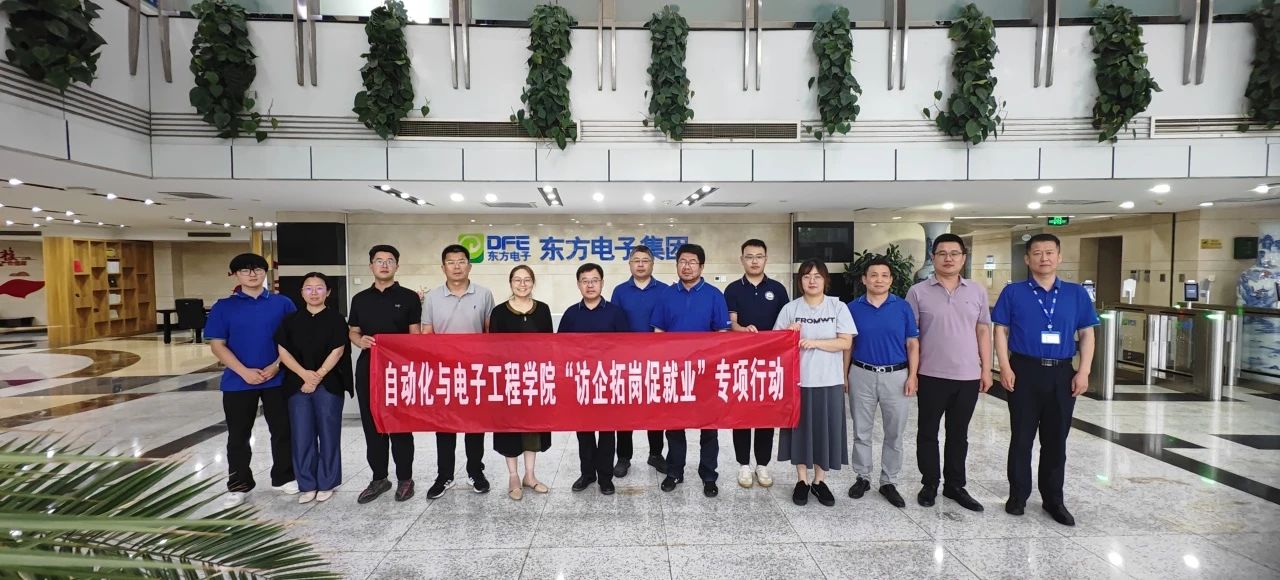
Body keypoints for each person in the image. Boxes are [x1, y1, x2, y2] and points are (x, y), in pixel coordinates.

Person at [993, 233, 1098, 527]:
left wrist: (1084, 371)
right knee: (1022, 437)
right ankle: (1018, 496)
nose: (1044, 258)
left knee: (1056, 439)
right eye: (1037, 253)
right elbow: (1000, 330)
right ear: (1027, 259)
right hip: (1024, 369)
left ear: (1059, 257)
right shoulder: (1013, 292)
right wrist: (1004, 367)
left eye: (1049, 252)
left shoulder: (1076, 294)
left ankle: (1054, 500)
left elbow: (1087, 333)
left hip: (1062, 372)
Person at [204, 252, 298, 508]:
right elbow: (217, 344)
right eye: (245, 270)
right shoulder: (224, 307)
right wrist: (244, 371)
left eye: (257, 269)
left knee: (282, 431)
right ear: (236, 275)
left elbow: (293, 339)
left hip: (277, 378)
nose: (252, 274)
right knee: (238, 435)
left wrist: (276, 365)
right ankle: (239, 484)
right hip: (238, 381)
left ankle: (284, 477)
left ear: (265, 272)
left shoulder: (282, 303)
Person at [906, 233, 991, 512]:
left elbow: (983, 330)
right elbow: (911, 336)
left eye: (954, 253)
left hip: (967, 375)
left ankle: (955, 485)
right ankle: (930, 483)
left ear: (963, 258)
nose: (948, 258)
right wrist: (913, 374)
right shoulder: (917, 292)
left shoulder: (976, 291)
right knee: (927, 432)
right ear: (933, 258)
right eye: (942, 253)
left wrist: (986, 369)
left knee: (958, 434)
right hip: (930, 374)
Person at [650, 243, 731, 498]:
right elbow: (658, 332)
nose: (687, 266)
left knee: (709, 427)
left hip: (706, 373)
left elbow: (722, 333)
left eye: (692, 262)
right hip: (675, 372)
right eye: (682, 262)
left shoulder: (714, 295)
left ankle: (709, 475)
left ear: (702, 266)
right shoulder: (666, 295)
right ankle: (674, 471)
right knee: (674, 425)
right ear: (677, 265)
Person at [774, 260, 854, 507]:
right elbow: (776, 344)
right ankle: (802, 480)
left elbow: (845, 342)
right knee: (800, 431)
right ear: (800, 281)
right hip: (798, 382)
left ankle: (820, 481)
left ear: (825, 280)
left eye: (817, 276)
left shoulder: (838, 307)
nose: (812, 281)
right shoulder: (790, 308)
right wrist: (789, 333)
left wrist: (815, 343)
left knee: (825, 430)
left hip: (830, 380)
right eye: (807, 276)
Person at [421, 244, 496, 499]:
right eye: (451, 262)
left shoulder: (484, 294)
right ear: (443, 267)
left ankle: (476, 471)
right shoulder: (432, 297)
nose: (456, 266)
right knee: (444, 427)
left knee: (475, 426)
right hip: (444, 373)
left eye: (461, 261)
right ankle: (444, 476)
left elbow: (490, 333)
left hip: (475, 373)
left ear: (469, 266)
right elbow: (426, 334)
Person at [844, 256, 919, 508]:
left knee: (894, 432)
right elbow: (848, 345)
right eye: (873, 275)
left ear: (891, 279)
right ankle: (862, 477)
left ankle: (889, 481)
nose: (879, 280)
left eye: (884, 275)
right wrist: (844, 375)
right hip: (861, 373)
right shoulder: (852, 308)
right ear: (864, 279)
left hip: (896, 376)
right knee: (861, 430)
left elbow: (912, 343)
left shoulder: (903, 307)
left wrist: (913, 375)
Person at [348, 245, 421, 503]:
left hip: (399, 371)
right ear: (371, 266)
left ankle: (405, 479)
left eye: (390, 261)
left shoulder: (409, 297)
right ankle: (379, 478)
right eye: (379, 261)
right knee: (372, 425)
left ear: (397, 266)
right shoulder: (360, 299)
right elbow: (353, 331)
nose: (384, 265)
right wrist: (359, 341)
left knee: (401, 425)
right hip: (369, 368)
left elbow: (415, 335)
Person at [275, 272, 352, 504]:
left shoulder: (336, 319)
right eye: (309, 288)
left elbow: (338, 350)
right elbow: (283, 351)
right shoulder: (290, 321)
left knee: (329, 434)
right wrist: (304, 375)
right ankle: (307, 484)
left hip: (329, 384)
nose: (314, 292)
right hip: (296, 385)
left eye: (319, 288)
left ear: (328, 292)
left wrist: (317, 376)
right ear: (301, 293)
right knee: (301, 435)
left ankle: (327, 482)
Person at [560, 262, 631, 495]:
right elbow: (560, 349)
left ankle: (606, 478)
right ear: (578, 284)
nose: (590, 285)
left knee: (607, 433)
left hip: (608, 382)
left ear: (602, 283)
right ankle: (587, 474)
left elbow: (626, 348)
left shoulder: (615, 313)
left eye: (594, 280)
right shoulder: (571, 314)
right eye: (585, 281)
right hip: (580, 383)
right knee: (584, 432)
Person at [724, 239, 789, 489]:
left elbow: (785, 324)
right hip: (741, 361)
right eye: (749, 256)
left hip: (771, 363)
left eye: (759, 256)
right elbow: (731, 323)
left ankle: (762, 465)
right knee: (741, 413)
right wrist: (742, 330)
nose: (754, 261)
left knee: (765, 413)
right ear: (742, 260)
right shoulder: (732, 289)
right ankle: (743, 464)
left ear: (766, 259)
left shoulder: (778, 289)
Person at [489, 265, 553, 501]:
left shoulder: (543, 310)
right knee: (510, 428)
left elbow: (550, 345)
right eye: (517, 280)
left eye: (527, 280)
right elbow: (493, 348)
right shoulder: (499, 312)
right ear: (510, 283)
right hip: (508, 379)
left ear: (533, 282)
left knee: (532, 428)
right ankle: (513, 476)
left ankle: (530, 475)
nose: (522, 284)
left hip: (534, 378)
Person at [610, 245, 670, 476]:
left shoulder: (665, 290)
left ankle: (656, 454)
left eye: (645, 260)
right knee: (625, 410)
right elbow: (614, 324)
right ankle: (624, 457)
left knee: (656, 409)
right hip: (627, 362)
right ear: (630, 264)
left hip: (657, 361)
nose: (641, 264)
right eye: (636, 260)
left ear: (652, 264)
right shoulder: (620, 291)